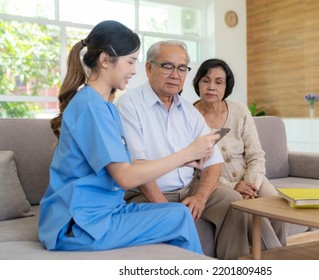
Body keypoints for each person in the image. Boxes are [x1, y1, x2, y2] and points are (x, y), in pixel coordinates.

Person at [38, 21, 219, 254]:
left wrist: (185, 160)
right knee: (178, 219)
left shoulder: (106, 107)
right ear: (105, 60)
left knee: (179, 214)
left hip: (104, 212)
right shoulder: (91, 107)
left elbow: (126, 166)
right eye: (131, 62)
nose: (134, 70)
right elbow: (125, 177)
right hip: (78, 223)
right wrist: (187, 152)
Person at [116, 40, 249, 260]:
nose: (175, 74)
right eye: (167, 66)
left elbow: (213, 162)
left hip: (189, 188)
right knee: (172, 217)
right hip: (144, 193)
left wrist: (200, 197)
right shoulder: (130, 105)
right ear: (149, 68)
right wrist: (167, 211)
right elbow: (136, 168)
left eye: (181, 68)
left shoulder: (189, 111)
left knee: (232, 201)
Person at [193, 58, 287, 249]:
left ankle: (275, 253)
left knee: (278, 205)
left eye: (218, 82)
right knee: (248, 211)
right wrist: (234, 186)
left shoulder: (239, 111)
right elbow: (194, 171)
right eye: (206, 80)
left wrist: (250, 186)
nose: (211, 86)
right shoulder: (189, 116)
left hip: (252, 179)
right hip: (219, 185)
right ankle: (278, 258)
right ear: (198, 83)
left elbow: (256, 155)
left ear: (226, 86)